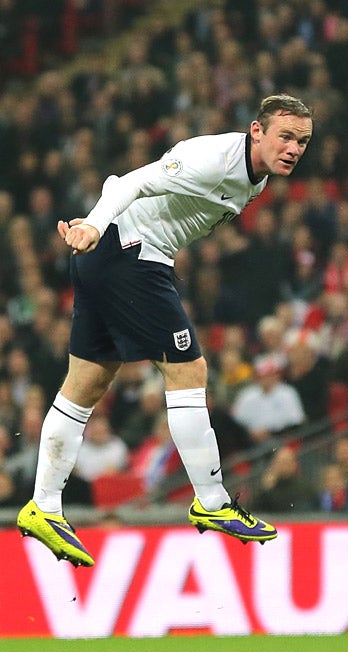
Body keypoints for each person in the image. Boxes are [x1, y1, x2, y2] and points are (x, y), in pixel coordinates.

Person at [16, 94, 313, 567]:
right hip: (128, 253)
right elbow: (129, 181)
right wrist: (93, 225)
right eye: (286, 136)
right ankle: (212, 502)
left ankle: (44, 506)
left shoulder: (256, 179)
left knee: (86, 384)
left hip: (115, 259)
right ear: (257, 131)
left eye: (302, 141)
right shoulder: (214, 158)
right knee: (188, 368)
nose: (294, 148)